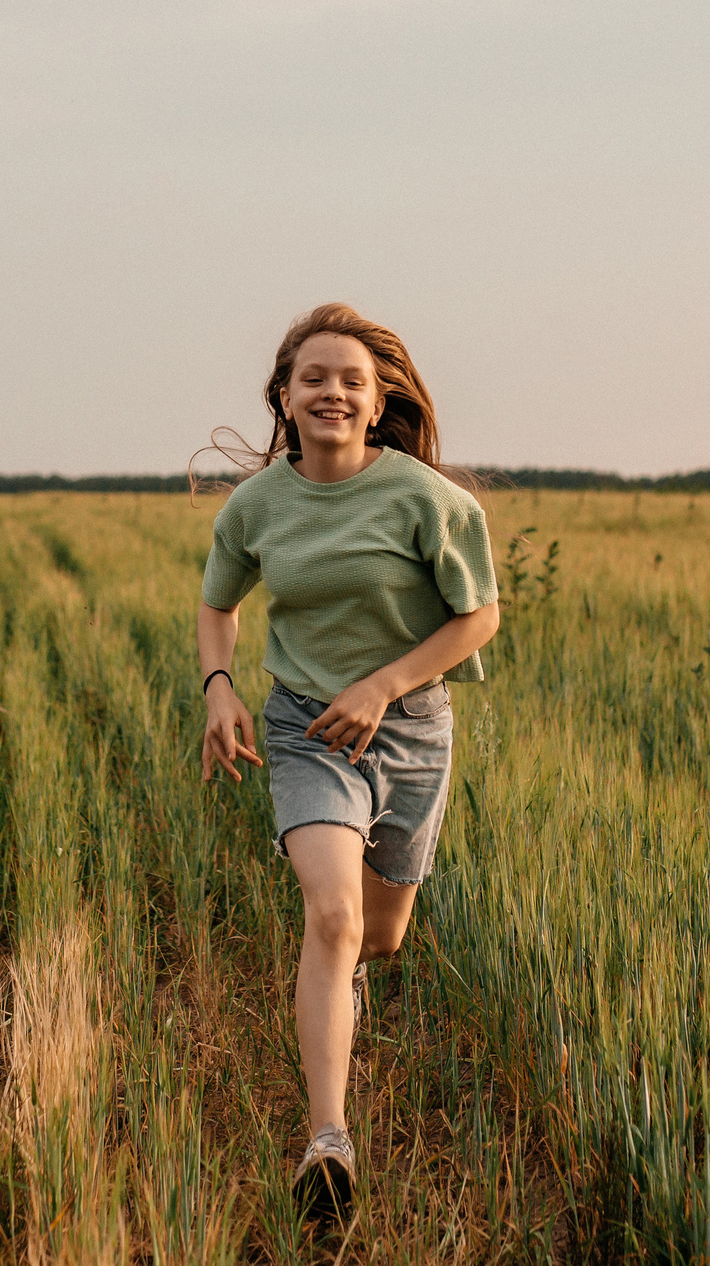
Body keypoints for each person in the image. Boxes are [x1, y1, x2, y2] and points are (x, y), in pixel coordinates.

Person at [196, 302, 501, 1226]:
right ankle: (328, 1138)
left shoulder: (427, 499)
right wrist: (220, 686)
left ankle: (344, 983)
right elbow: (219, 604)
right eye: (314, 377)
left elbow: (479, 615)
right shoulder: (256, 504)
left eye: (351, 380)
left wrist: (386, 683)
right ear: (284, 399)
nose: (332, 390)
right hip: (306, 729)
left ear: (377, 404)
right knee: (329, 915)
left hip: (411, 730)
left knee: (377, 936)